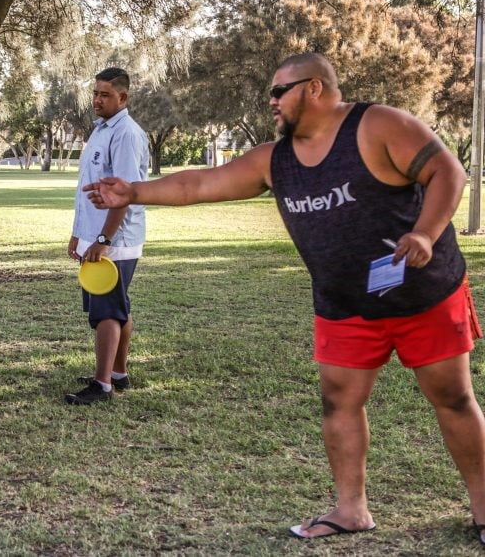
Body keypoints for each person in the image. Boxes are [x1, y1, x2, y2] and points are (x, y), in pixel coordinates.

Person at [85, 52, 485, 543]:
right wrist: (133, 192)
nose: (270, 102)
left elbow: (448, 173)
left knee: (452, 397)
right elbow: (199, 183)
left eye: (279, 92)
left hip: (424, 292)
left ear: (314, 88)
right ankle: (351, 510)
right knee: (339, 401)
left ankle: (484, 509)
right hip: (344, 303)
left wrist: (425, 234)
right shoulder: (275, 158)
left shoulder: (378, 124)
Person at [65, 67, 148, 405]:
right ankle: (118, 372)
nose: (97, 100)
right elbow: (87, 188)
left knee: (107, 312)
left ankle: (102, 386)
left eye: (105, 95)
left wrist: (103, 240)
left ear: (123, 98)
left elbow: (124, 194)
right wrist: (78, 234)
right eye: (95, 94)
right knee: (116, 307)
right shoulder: (101, 130)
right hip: (94, 235)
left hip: (116, 239)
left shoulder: (126, 133)